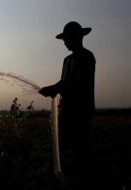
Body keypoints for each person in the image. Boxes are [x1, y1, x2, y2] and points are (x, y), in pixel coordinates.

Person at [39, 21, 96, 187]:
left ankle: (84, 178)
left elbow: (79, 82)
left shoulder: (87, 57)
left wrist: (55, 88)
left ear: (77, 38)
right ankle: (63, 177)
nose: (64, 42)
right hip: (66, 110)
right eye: (64, 39)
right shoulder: (66, 60)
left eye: (67, 38)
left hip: (81, 110)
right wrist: (54, 88)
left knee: (81, 147)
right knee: (62, 145)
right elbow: (64, 81)